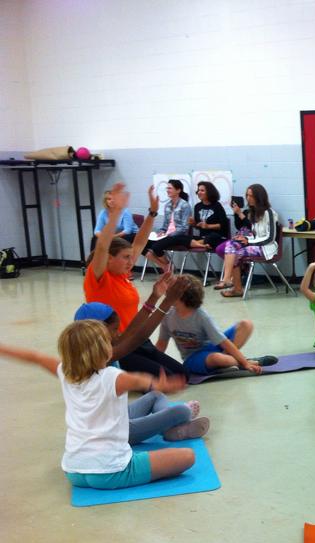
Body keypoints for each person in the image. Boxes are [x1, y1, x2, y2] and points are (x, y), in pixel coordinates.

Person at [5, 320, 195, 490]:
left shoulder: (65, 372)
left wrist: (3, 349)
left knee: (154, 399)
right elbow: (138, 379)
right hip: (112, 471)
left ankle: (169, 427)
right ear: (102, 349)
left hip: (74, 472)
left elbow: (34, 357)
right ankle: (174, 425)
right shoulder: (111, 377)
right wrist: (159, 385)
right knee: (188, 456)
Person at [84, 183, 187, 377]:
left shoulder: (122, 272)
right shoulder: (97, 276)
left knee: (182, 374)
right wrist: (115, 212)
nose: (131, 261)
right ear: (109, 258)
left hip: (138, 339)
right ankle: (114, 372)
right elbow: (102, 245)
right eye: (125, 257)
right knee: (168, 377)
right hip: (117, 346)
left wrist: (153, 213)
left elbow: (139, 240)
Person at [73, 299, 210, 442]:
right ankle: (175, 427)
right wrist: (157, 384)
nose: (118, 334)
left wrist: (155, 297)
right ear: (98, 333)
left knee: (156, 396)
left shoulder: (87, 358)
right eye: (114, 329)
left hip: (119, 415)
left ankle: (171, 430)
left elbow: (132, 333)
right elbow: (137, 342)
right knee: (181, 411)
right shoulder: (99, 363)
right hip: (116, 432)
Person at [155, 275, 276, 376]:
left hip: (214, 347)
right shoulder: (167, 316)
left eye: (170, 290)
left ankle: (231, 362)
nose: (166, 292)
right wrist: (151, 366)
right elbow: (161, 344)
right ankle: (248, 362)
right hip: (193, 358)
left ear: (181, 296)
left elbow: (222, 341)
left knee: (246, 325)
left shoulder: (201, 315)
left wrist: (243, 363)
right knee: (216, 358)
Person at [216, 184, 279, 296]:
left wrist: (249, 241)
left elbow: (270, 238)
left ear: (259, 197)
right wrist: (245, 238)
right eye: (247, 195)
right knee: (231, 246)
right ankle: (230, 283)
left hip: (266, 248)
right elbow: (256, 235)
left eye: (251, 196)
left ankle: (232, 284)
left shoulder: (269, 213)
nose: (248, 198)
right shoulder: (253, 213)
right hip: (256, 245)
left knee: (234, 252)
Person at [145, 179, 192, 269]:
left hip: (179, 236)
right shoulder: (167, 205)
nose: (167, 190)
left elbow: (184, 227)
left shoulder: (185, 205)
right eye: (167, 188)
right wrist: (160, 232)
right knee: (145, 245)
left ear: (178, 190)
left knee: (156, 247)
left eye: (170, 188)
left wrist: (169, 235)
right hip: (167, 235)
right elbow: (165, 225)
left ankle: (168, 268)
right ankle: (167, 267)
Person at [188, 181, 230, 252]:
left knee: (212, 237)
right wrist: (194, 224)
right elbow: (198, 226)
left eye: (202, 190)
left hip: (218, 236)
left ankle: (193, 244)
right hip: (203, 237)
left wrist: (208, 226)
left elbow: (224, 225)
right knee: (184, 238)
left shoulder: (217, 205)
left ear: (209, 192)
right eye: (198, 190)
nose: (199, 192)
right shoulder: (197, 206)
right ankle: (199, 243)